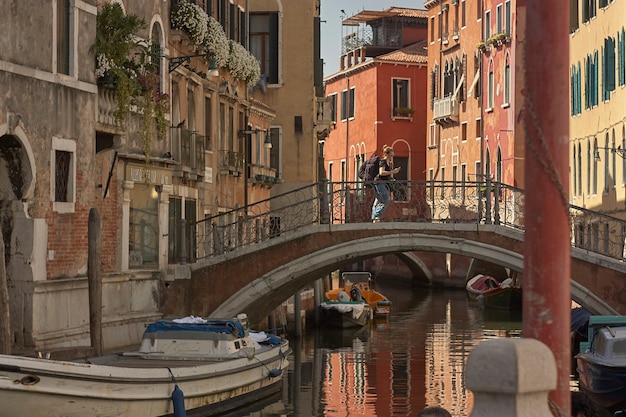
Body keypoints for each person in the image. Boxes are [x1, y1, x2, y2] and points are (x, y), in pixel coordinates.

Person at [371, 145, 401, 222]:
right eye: (391, 155)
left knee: (377, 201)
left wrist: (393, 174)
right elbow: (381, 173)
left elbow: (389, 175)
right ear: (386, 154)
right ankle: (377, 215)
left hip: (384, 183)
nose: (392, 157)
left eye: (392, 155)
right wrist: (392, 171)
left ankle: (374, 218)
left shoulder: (389, 163)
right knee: (386, 200)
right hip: (379, 182)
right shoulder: (383, 161)